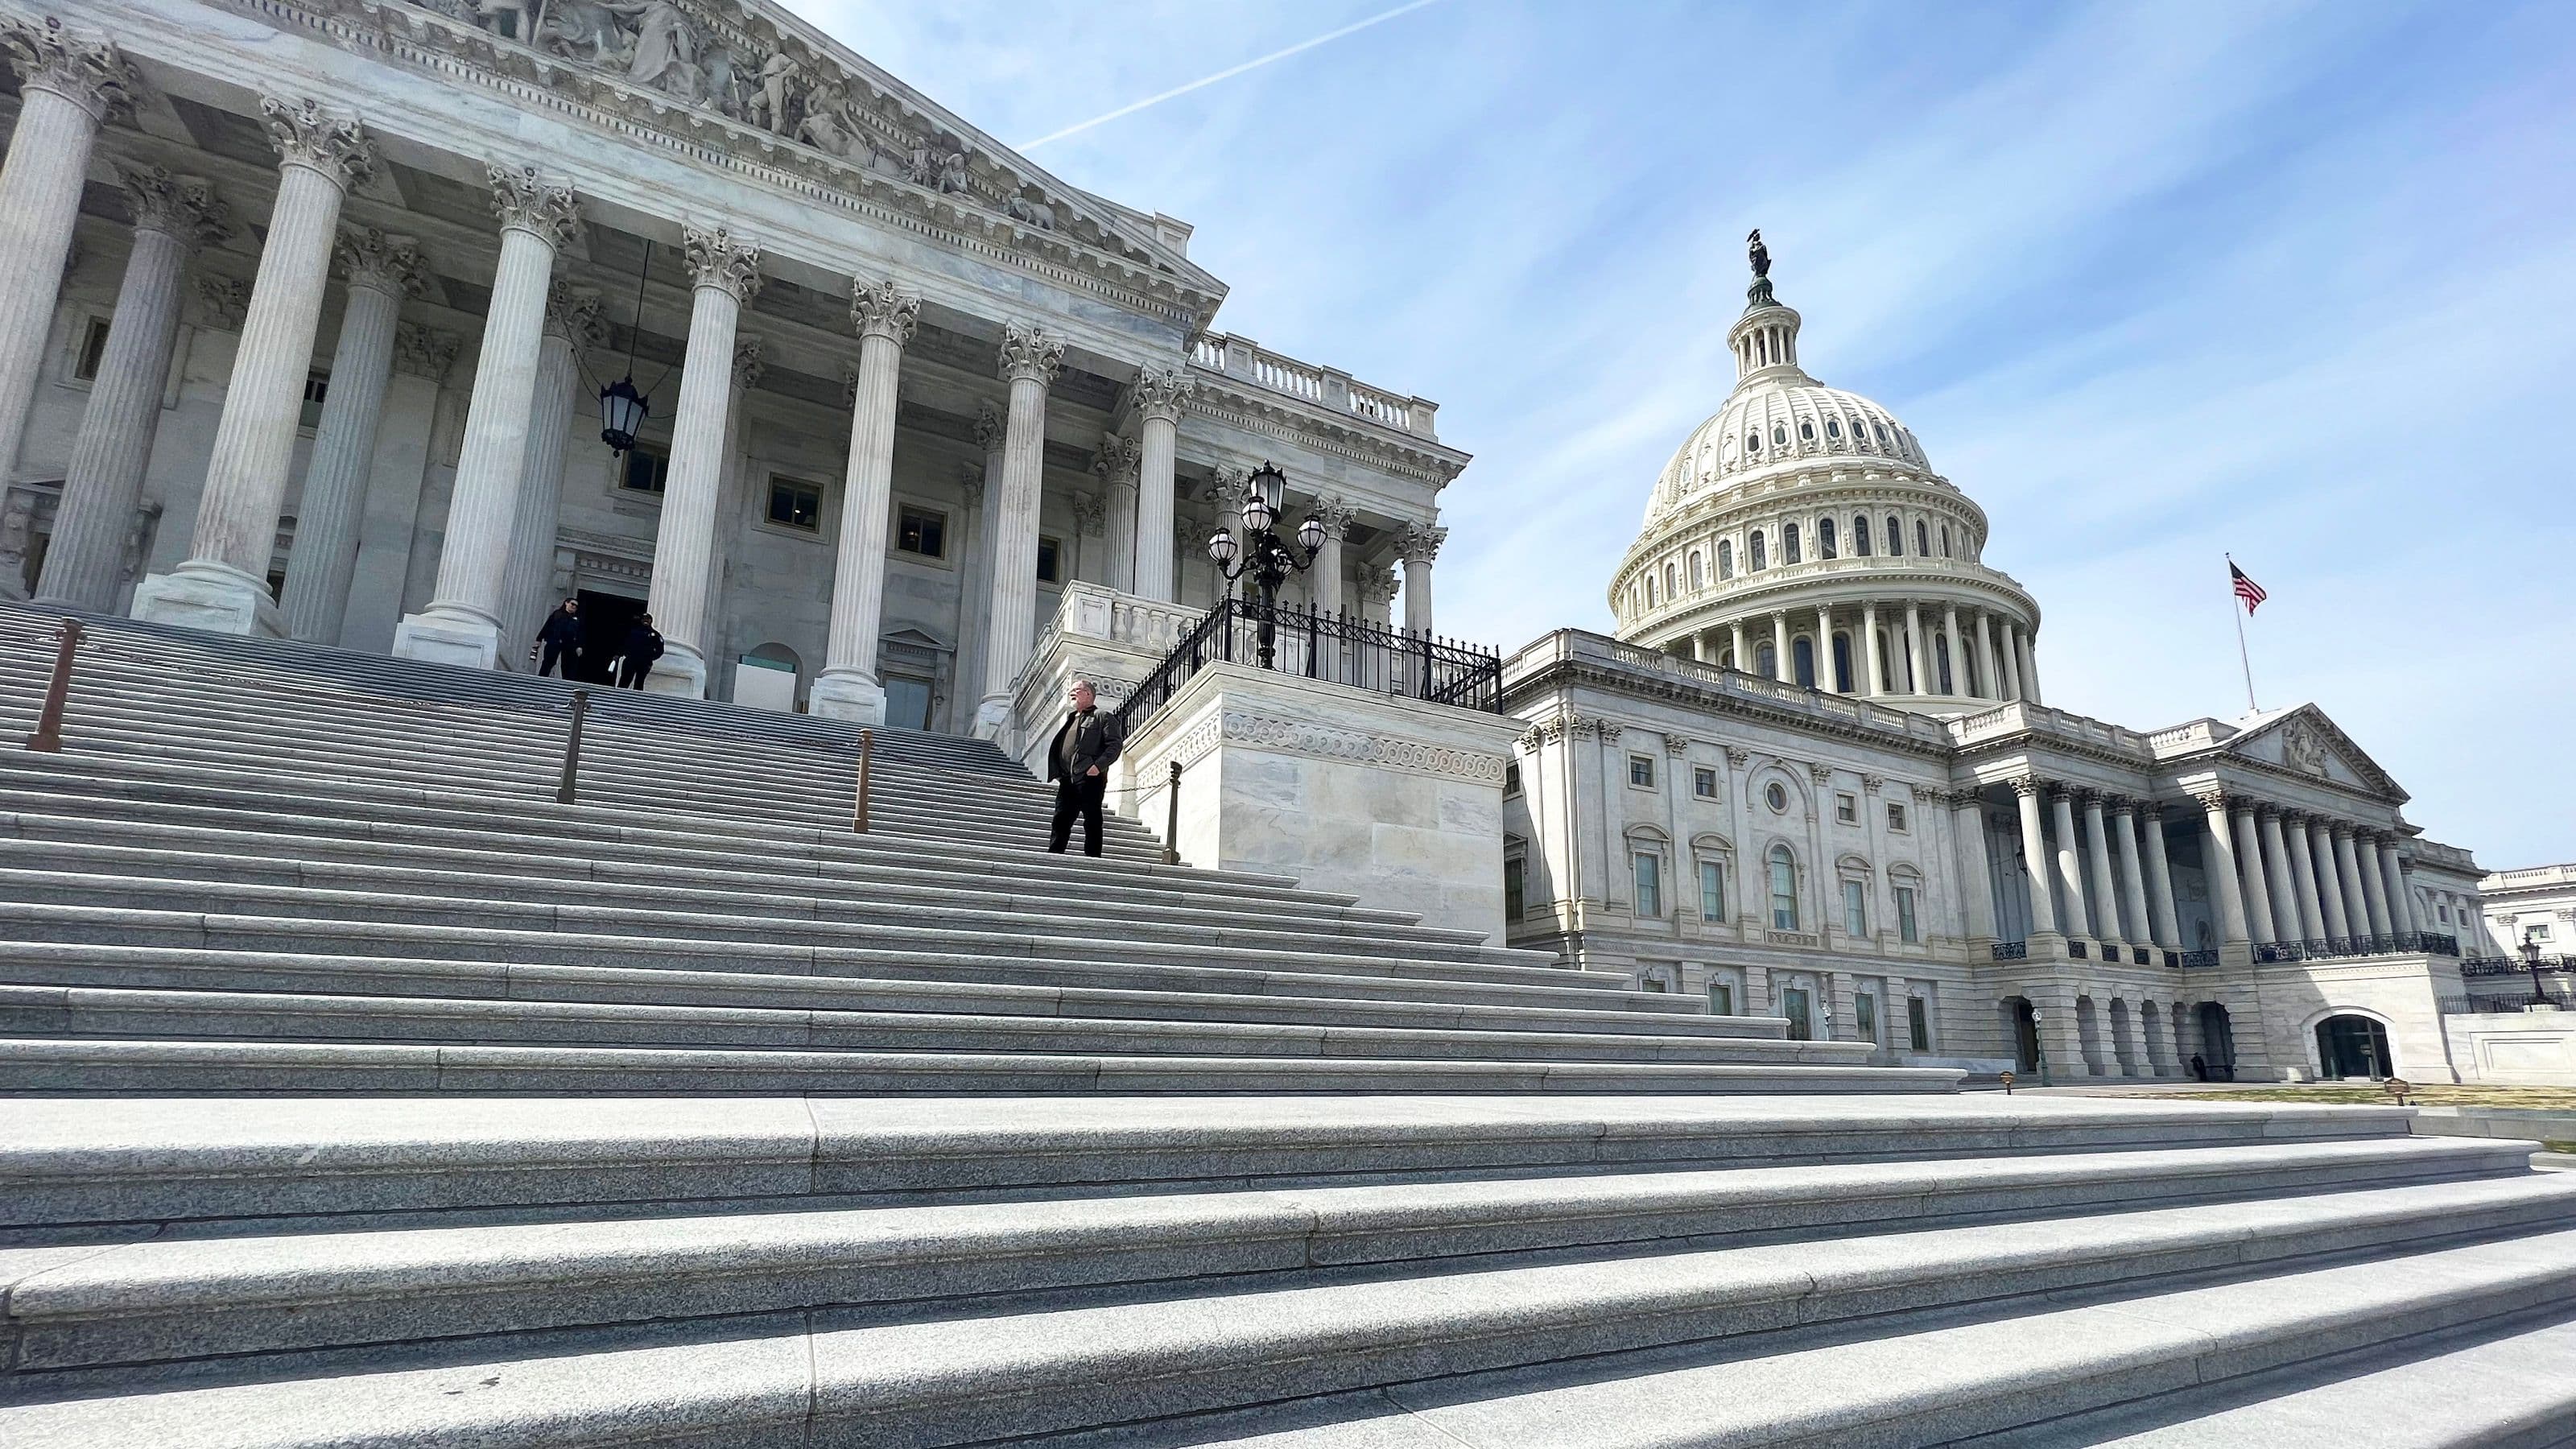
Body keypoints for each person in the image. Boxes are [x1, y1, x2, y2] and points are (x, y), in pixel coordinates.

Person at [1045, 679, 1123, 857]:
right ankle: (1054, 854)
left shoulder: (1103, 717)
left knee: (1092, 819)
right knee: (1061, 819)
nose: (1072, 692)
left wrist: (1097, 766)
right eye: (1071, 690)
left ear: (1088, 694)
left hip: (1090, 778)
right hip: (1068, 779)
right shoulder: (1071, 719)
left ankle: (1093, 857)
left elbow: (1115, 745)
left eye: (1076, 690)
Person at [530, 598, 584, 678]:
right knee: (548, 662)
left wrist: (579, 646)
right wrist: (539, 639)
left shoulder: (577, 619)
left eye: (576, 606)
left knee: (568, 665)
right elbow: (547, 626)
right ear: (566, 603)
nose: (574, 607)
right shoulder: (557, 614)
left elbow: (579, 633)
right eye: (572, 604)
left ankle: (567, 683)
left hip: (569, 644)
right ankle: (542, 678)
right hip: (554, 641)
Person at [614, 613, 664, 690]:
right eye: (644, 619)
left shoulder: (655, 635)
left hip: (644, 662)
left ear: (651, 621)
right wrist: (618, 654)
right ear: (641, 620)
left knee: (639, 682)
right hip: (631, 660)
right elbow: (624, 644)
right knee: (625, 680)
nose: (646, 620)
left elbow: (660, 649)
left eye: (648, 619)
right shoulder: (633, 632)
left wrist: (651, 657)